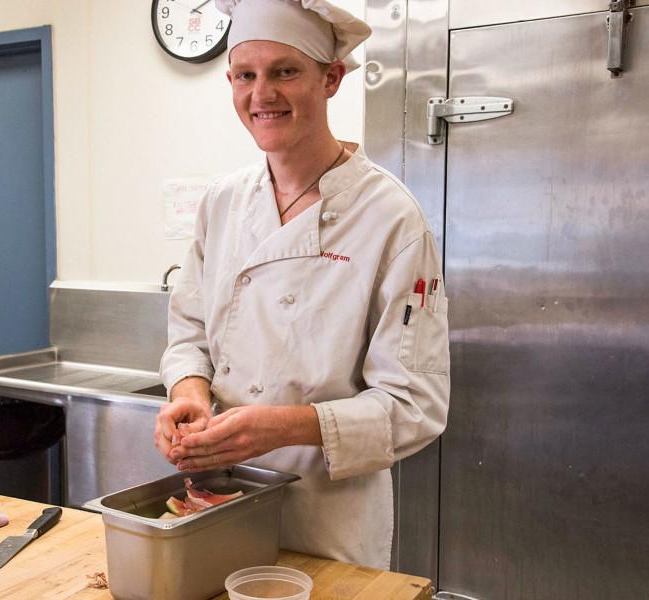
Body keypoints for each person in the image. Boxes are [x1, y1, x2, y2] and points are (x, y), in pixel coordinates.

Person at [154, 0, 450, 570]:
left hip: (328, 515)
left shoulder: (390, 217)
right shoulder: (223, 202)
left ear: (331, 78)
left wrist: (283, 426)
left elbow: (416, 406)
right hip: (220, 497)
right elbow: (188, 332)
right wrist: (188, 396)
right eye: (246, 75)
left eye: (285, 71)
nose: (261, 94)